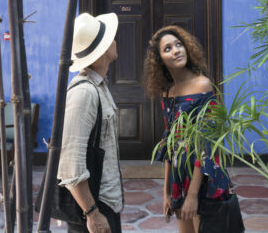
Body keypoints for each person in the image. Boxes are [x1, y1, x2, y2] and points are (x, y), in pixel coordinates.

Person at [143, 26, 235, 233]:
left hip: (203, 176)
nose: (176, 50)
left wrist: (193, 194)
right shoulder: (167, 93)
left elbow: (207, 144)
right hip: (179, 175)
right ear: (160, 61)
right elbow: (169, 144)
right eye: (167, 49)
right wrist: (166, 191)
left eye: (178, 44)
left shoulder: (203, 85)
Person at [57, 12, 123, 233]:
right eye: (110, 38)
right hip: (95, 207)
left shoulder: (98, 86)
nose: (115, 40)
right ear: (104, 50)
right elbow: (70, 163)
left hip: (104, 202)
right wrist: (92, 213)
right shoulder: (84, 92)